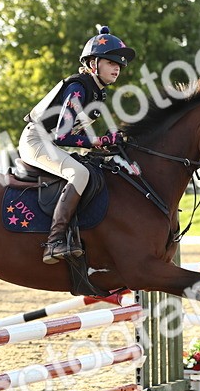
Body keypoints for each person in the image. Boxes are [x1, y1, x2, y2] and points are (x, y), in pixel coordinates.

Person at [20, 25, 133, 264]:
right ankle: (55, 241)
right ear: (93, 64)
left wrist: (107, 143)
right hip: (36, 140)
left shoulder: (95, 92)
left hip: (49, 142)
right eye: (111, 62)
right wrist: (97, 141)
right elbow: (62, 135)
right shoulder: (78, 88)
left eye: (119, 64)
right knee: (80, 174)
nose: (118, 67)